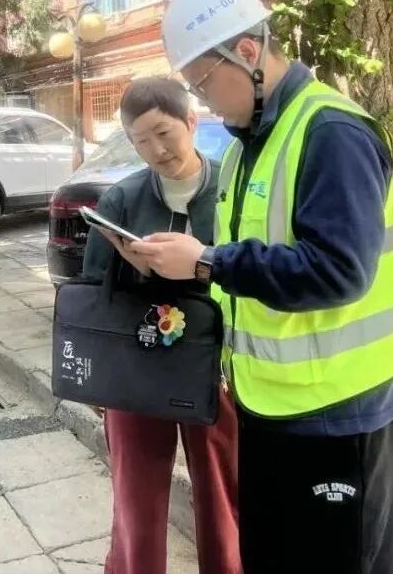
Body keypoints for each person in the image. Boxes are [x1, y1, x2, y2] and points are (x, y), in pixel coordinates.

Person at [125, 0, 393, 574]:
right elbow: (255, 263)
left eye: (203, 85)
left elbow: (336, 270)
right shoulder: (250, 143)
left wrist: (206, 259)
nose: (206, 105)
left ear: (247, 53)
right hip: (270, 408)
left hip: (341, 415)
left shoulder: (331, 132)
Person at [82, 77, 241, 574]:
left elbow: (251, 271)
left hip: (214, 365)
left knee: (223, 494)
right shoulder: (122, 199)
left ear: (192, 121)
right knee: (136, 500)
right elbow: (93, 291)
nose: (156, 150)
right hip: (137, 366)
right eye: (140, 141)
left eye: (163, 132)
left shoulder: (231, 191)